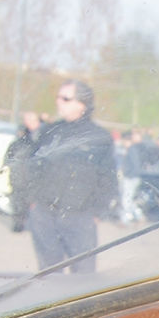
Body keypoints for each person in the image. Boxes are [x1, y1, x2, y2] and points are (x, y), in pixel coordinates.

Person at [26, 81, 117, 273]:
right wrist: (32, 202)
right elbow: (32, 166)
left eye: (65, 98)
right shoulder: (50, 132)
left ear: (82, 105)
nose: (59, 102)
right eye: (58, 97)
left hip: (80, 217)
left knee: (83, 281)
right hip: (45, 214)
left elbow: (107, 178)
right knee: (48, 277)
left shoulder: (98, 137)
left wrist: (98, 213)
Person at [2, 111, 40, 233]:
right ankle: (25, 222)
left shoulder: (15, 144)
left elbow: (8, 157)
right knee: (27, 201)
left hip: (16, 176)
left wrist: (4, 167)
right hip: (28, 177)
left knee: (17, 200)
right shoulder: (33, 145)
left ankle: (18, 224)